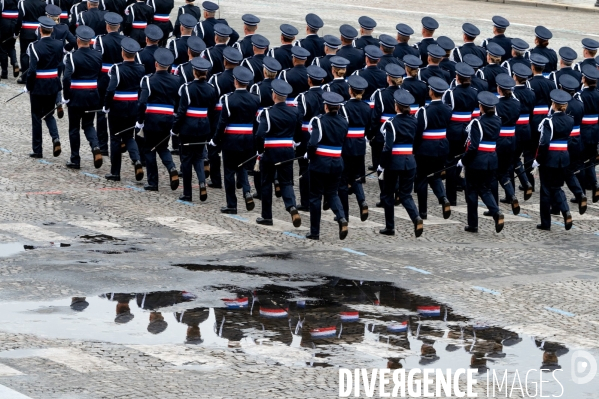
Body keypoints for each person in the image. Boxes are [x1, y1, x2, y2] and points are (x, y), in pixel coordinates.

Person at [211, 66, 260, 214]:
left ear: (235, 82)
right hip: (248, 139)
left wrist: (215, 140)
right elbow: (257, 122)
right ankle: (246, 191)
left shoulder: (228, 99)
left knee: (229, 171)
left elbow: (222, 123)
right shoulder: (255, 99)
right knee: (242, 167)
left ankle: (232, 205)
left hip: (231, 139)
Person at [255, 79, 302, 227]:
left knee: (266, 183)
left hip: (270, 151)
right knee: (286, 181)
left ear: (274, 95)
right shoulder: (294, 111)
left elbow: (259, 134)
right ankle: (292, 206)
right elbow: (299, 132)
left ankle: (267, 216)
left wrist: (260, 151)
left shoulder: (267, 113)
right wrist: (295, 143)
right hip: (287, 150)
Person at [172, 57, 218, 202]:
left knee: (186, 159)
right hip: (203, 126)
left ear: (194, 72)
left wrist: (175, 129)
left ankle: (187, 193)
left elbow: (181, 111)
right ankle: (202, 182)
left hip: (188, 127)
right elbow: (212, 111)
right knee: (199, 157)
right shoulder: (211, 89)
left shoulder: (187, 88)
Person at [379, 89, 423, 237]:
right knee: (406, 195)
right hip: (409, 161)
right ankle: (416, 217)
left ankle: (390, 227)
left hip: (394, 162)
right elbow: (417, 141)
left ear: (396, 106)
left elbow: (388, 147)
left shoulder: (391, 123)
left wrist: (382, 165)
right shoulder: (414, 121)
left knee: (387, 194)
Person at [306, 91, 349, 241]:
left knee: (315, 197)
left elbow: (312, 143)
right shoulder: (344, 121)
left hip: (320, 162)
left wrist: (309, 155)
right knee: (332, 193)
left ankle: (315, 232)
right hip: (336, 162)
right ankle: (341, 217)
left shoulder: (319, 121)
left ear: (326, 106)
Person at [137, 48, 180, 191]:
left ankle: (153, 182)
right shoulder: (176, 80)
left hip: (152, 117)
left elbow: (142, 102)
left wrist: (140, 121)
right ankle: (172, 167)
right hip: (168, 118)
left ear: (156, 64)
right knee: (162, 147)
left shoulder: (148, 80)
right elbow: (179, 101)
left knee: (149, 148)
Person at [461, 91, 505, 233]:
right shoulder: (498, 120)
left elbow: (473, 146)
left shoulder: (477, 122)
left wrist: (463, 160)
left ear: (481, 107)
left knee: (472, 191)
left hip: (477, 160)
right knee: (485, 189)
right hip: (491, 159)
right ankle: (496, 211)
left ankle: (473, 224)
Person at [104, 37, 146, 182]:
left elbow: (110, 89)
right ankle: (137, 159)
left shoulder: (117, 68)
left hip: (118, 106)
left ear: (123, 52)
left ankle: (115, 172)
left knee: (115, 138)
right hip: (133, 106)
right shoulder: (141, 68)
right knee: (129, 136)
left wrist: (106, 106)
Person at [63, 25, 103, 170]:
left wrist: (66, 96)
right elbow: (99, 74)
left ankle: (75, 159)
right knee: (88, 125)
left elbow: (66, 78)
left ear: (78, 40)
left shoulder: (72, 57)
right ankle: (96, 146)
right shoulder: (98, 55)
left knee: (74, 128)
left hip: (76, 96)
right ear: (90, 41)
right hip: (93, 95)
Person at [535, 89, 574, 231]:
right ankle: (565, 210)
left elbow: (544, 143)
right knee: (557, 187)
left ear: (553, 104)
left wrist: (538, 159)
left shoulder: (548, 121)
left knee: (545, 190)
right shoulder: (570, 119)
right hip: (563, 156)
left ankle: (546, 223)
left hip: (550, 158)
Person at [414, 76, 452, 220]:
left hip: (426, 148)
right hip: (442, 146)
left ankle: (423, 211)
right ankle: (443, 198)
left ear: (431, 92)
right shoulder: (448, 109)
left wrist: (414, 149)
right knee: (435, 175)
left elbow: (418, 132)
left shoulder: (424, 111)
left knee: (423, 178)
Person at [26, 16, 62, 159]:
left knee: (36, 116)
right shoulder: (59, 45)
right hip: (53, 83)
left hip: (38, 85)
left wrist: (29, 86)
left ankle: (37, 149)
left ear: (40, 30)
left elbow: (32, 70)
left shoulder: (34, 46)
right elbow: (60, 65)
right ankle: (55, 138)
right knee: (49, 114)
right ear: (52, 30)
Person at [206, 47, 243, 189]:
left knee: (214, 147)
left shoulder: (216, 78)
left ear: (224, 61)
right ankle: (240, 179)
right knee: (238, 150)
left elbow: (211, 99)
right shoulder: (243, 78)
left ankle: (216, 180)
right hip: (238, 116)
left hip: (218, 115)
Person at [442, 62, 478, 206]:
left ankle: (451, 198)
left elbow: (446, 114)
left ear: (457, 77)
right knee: (465, 161)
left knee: (451, 162)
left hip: (453, 130)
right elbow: (475, 114)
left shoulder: (450, 93)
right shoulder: (475, 92)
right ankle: (467, 190)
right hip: (468, 129)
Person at [370, 64, 405, 196]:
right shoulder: (405, 93)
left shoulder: (381, 94)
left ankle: (386, 194)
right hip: (401, 130)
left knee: (382, 164)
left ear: (388, 78)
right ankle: (396, 190)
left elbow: (375, 116)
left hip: (383, 133)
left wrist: (371, 134)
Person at [339, 75, 371, 222]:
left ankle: (344, 214)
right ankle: (362, 201)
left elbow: (342, 127)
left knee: (344, 179)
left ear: (350, 90)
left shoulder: (344, 107)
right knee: (356, 177)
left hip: (347, 146)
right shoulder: (366, 107)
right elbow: (369, 127)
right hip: (360, 144)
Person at [294, 65, 325, 211]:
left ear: (309, 80)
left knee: (304, 169)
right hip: (324, 135)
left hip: (307, 135)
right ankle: (322, 198)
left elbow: (299, 119)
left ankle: (306, 202)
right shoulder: (327, 94)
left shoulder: (303, 97)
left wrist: (297, 138)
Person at [249, 56, 282, 199]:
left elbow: (253, 105)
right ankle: (275, 178)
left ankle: (260, 190)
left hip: (261, 122)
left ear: (264, 71)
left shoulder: (257, 87)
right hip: (277, 120)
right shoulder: (280, 86)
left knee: (260, 156)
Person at [525, 53, 556, 191]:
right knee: (544, 149)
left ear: (532, 67)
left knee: (529, 151)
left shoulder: (529, 83)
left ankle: (529, 182)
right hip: (547, 119)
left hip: (533, 121)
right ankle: (545, 181)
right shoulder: (551, 83)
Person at [94, 12, 123, 156]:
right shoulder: (125, 40)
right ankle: (120, 139)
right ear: (119, 26)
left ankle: (103, 145)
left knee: (101, 111)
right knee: (118, 111)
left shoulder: (101, 40)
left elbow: (96, 59)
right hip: (121, 77)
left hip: (105, 78)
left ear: (107, 26)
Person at [558, 74, 587, 214]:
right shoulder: (580, 103)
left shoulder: (561, 105)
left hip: (563, 142)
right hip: (577, 140)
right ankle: (579, 193)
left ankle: (558, 206)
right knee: (572, 168)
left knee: (559, 174)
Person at [492, 73, 521, 214]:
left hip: (499, 140)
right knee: (506, 170)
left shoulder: (496, 104)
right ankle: (512, 195)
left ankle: (494, 207)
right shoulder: (517, 103)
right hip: (512, 139)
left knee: (493, 173)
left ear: (499, 89)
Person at [511, 63, 535, 201]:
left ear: (515, 76)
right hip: (527, 128)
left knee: (511, 160)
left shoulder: (513, 93)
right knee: (517, 158)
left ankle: (518, 188)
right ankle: (526, 182)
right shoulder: (531, 93)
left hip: (516, 129)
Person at [576, 65, 599, 203]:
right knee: (590, 161)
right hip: (595, 130)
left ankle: (581, 193)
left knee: (580, 162)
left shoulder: (580, 95)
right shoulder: (598, 93)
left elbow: (578, 113)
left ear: (584, 79)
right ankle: (595, 185)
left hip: (583, 131)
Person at [15, 0, 46, 83]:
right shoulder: (43, 3)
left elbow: (19, 19)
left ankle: (25, 78)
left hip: (26, 31)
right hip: (39, 32)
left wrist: (16, 32)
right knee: (38, 54)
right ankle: (36, 76)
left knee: (25, 54)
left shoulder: (23, 3)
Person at [0, 0, 20, 79]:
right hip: (14, 22)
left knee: (2, 48)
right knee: (11, 46)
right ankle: (15, 62)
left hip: (4, 23)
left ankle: (4, 72)